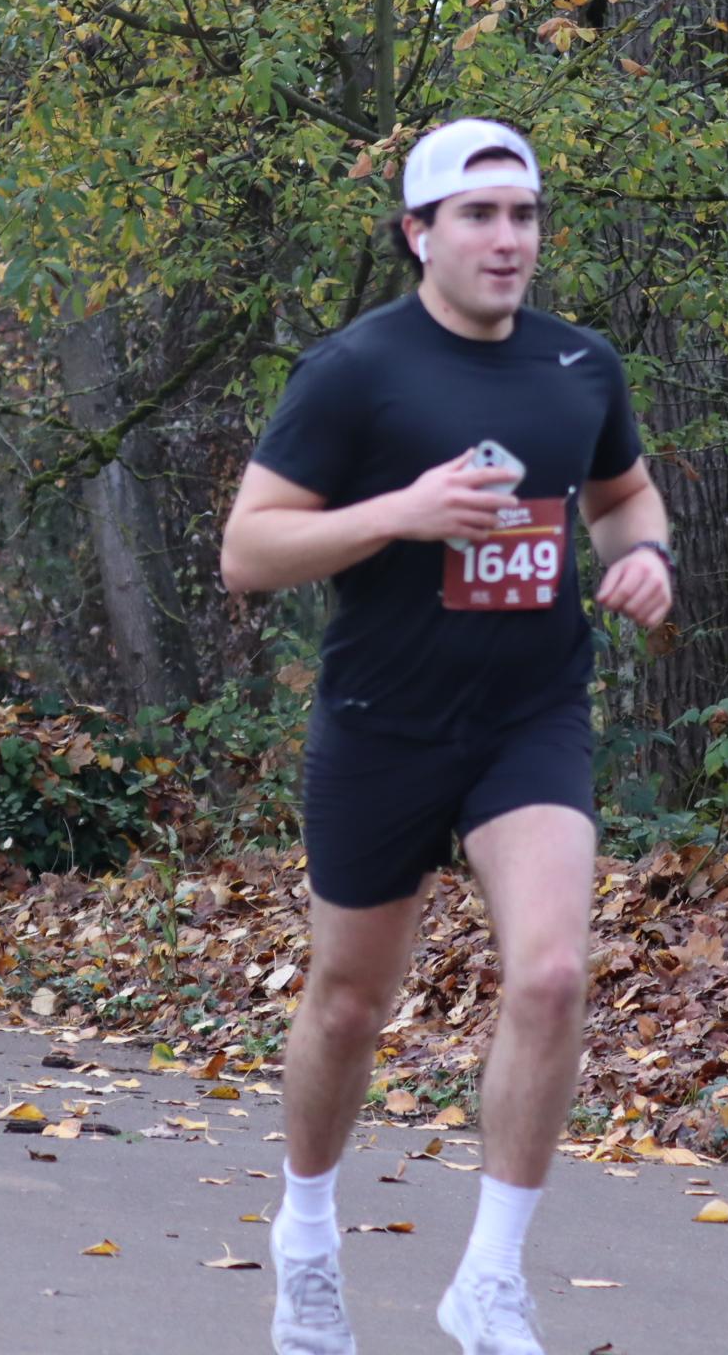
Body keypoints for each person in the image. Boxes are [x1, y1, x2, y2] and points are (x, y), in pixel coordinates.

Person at [220, 118, 673, 1355]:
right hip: (385, 725)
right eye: (478, 216)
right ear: (418, 233)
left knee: (552, 973)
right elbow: (248, 552)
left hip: (530, 718)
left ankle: (490, 1277)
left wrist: (643, 557)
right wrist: (402, 512)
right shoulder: (355, 371)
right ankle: (307, 1235)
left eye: (524, 215)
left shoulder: (579, 364)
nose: (508, 238)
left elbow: (623, 492)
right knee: (349, 1003)